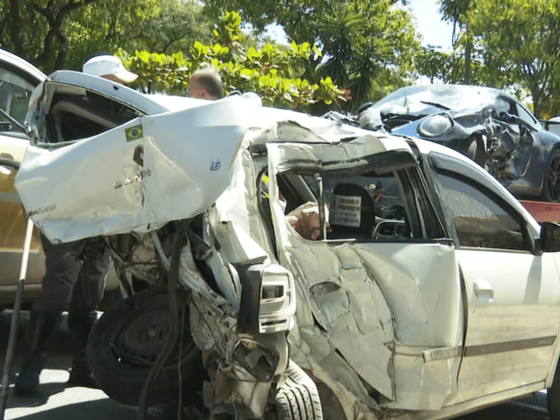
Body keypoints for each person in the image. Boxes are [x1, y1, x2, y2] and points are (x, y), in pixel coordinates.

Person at [14, 55, 137, 394]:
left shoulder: (116, 118)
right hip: (67, 213)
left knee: (90, 291)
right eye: (116, 81)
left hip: (99, 213)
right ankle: (31, 368)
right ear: (101, 81)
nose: (122, 88)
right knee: (59, 287)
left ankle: (82, 366)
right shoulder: (65, 112)